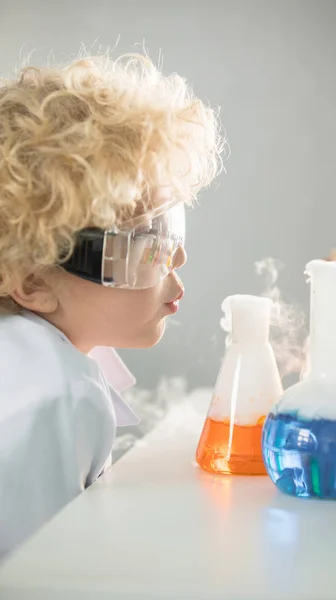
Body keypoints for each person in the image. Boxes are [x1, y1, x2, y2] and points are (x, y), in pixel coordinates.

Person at [0, 51, 223, 558]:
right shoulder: (57, 394)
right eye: (146, 241)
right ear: (33, 281)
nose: (177, 256)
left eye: (172, 227)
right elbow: (38, 577)